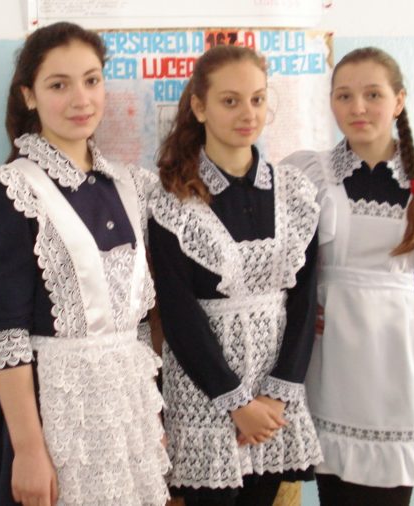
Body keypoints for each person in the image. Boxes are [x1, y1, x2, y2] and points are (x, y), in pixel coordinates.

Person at [0, 22, 169, 506]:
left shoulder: (129, 186)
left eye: (92, 80)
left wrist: (148, 417)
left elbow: (138, 324)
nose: (81, 99)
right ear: (29, 96)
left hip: (126, 418)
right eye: (59, 85)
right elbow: (5, 333)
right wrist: (29, 451)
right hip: (55, 421)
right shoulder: (13, 191)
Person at [282, 47, 414, 505]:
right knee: (335, 488)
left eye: (373, 94)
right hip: (331, 355)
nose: (358, 108)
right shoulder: (309, 176)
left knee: (391, 489)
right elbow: (292, 275)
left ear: (399, 101)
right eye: (344, 96)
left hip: (400, 355)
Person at [148, 44, 323, 506]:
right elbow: (179, 316)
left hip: (274, 393)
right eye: (230, 101)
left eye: (257, 99)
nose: (248, 113)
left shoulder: (296, 192)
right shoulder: (171, 199)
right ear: (199, 107)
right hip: (206, 393)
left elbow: (304, 301)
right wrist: (235, 402)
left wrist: (277, 395)